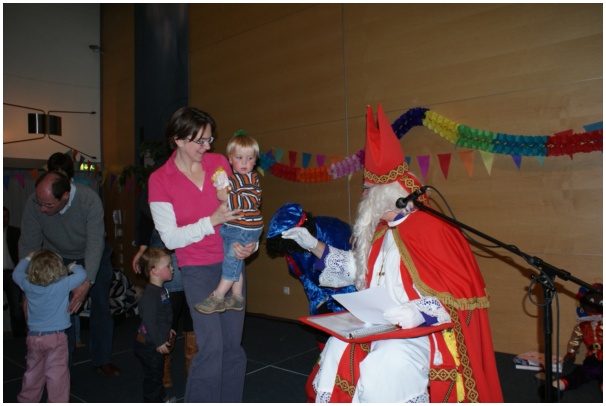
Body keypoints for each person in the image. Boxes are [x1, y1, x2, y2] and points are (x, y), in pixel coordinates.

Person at [281, 104, 503, 402]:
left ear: (387, 194)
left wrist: (419, 311)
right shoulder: (380, 233)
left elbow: (461, 295)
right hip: (379, 325)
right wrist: (313, 245)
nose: (363, 197)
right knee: (336, 350)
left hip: (423, 333)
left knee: (385, 366)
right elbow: (354, 269)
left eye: (367, 190)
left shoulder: (433, 229)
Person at [148, 106, 256, 402]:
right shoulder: (160, 179)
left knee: (232, 346)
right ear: (178, 139)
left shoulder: (218, 163)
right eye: (200, 141)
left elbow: (242, 210)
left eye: (210, 139)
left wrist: (250, 245)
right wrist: (211, 221)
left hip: (232, 263)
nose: (207, 146)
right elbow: (170, 238)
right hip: (196, 268)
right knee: (212, 348)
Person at [18, 169, 121, 377]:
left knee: (101, 306)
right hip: (57, 258)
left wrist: (87, 281)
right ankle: (62, 367)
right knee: (62, 311)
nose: (42, 209)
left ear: (65, 195)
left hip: (93, 254)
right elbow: (29, 245)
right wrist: (29, 288)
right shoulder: (35, 203)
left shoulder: (88, 200)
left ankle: (102, 359)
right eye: (40, 203)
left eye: (48, 205)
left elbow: (95, 243)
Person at [132, 186, 198, 388]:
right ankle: (163, 366)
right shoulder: (159, 182)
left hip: (193, 247)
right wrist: (142, 249)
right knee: (170, 304)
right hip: (166, 248)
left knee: (193, 307)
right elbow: (146, 216)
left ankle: (192, 367)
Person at [194, 131, 263, 314]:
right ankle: (237, 296)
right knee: (235, 261)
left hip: (245, 228)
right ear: (230, 159)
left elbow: (251, 201)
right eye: (239, 158)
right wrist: (221, 186)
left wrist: (227, 196)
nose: (244, 162)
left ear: (255, 161)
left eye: (249, 158)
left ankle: (217, 296)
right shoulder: (233, 178)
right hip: (234, 227)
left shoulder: (251, 178)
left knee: (231, 262)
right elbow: (222, 195)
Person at [13, 249, 87, 402]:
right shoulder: (62, 284)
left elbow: (16, 274)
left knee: (33, 373)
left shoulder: (28, 284)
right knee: (57, 375)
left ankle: (27, 400)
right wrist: (72, 266)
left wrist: (28, 258)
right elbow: (82, 275)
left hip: (34, 338)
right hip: (56, 338)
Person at [133, 247, 177, 403]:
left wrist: (166, 329)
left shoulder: (160, 289)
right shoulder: (151, 295)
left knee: (157, 373)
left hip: (152, 341)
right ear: (154, 271)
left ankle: (160, 398)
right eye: (168, 266)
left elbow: (161, 316)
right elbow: (149, 321)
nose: (172, 268)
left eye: (171, 265)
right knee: (154, 376)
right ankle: (153, 400)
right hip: (149, 345)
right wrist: (159, 341)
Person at [4, 206, 27, 338]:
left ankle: (19, 335)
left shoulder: (15, 232)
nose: (3, 219)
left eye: (6, 216)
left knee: (16, 308)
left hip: (11, 273)